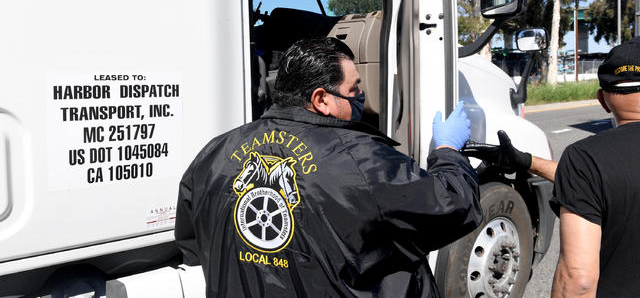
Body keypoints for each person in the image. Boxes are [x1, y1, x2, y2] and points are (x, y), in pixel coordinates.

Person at [175, 37, 482, 297]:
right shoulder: (364, 160)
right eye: (354, 90)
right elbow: (455, 206)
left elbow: (195, 248)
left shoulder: (213, 155)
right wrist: (448, 151)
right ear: (321, 99)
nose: (361, 97)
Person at [466, 37, 640, 297]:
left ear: (602, 100)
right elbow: (603, 182)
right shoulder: (586, 167)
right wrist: (527, 161)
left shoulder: (587, 159)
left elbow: (577, 280)